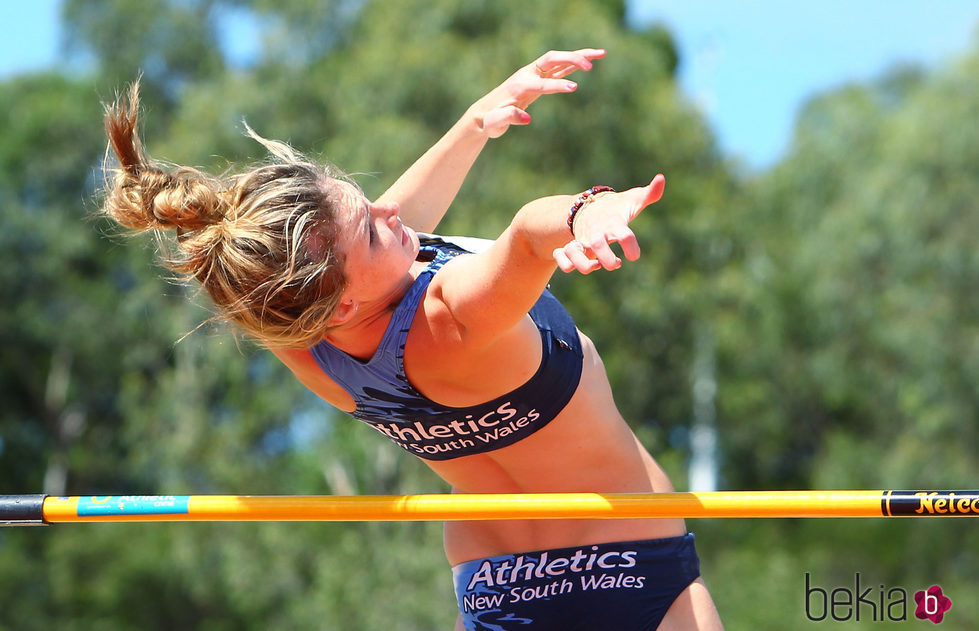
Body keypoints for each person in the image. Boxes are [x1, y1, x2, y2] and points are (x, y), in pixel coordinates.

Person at [100, 48, 723, 630]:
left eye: (366, 201)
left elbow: (377, 234)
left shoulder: (301, 334)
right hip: (626, 555)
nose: (388, 213)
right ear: (342, 295)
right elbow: (532, 236)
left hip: (496, 581)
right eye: (370, 230)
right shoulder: (450, 315)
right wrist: (588, 211)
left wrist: (476, 123)